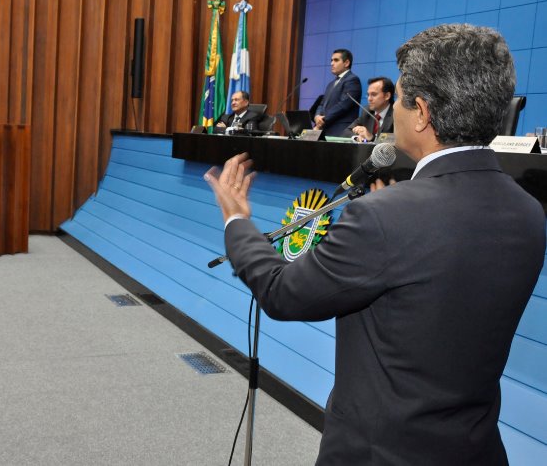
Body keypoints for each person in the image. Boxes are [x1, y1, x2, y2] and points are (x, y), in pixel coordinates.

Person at [204, 24, 545, 465]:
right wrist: (390, 222)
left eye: (401, 96)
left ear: (421, 112)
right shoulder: (528, 211)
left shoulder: (386, 218)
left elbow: (282, 292)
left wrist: (236, 220)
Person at [313, 49, 362, 136]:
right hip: (325, 128)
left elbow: (343, 105)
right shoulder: (331, 84)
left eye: (336, 60)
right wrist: (317, 116)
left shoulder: (352, 80)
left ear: (346, 63)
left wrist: (322, 120)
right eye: (331, 60)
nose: (332, 63)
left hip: (340, 130)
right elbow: (322, 104)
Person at [342, 76, 395, 141]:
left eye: (374, 94)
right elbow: (346, 132)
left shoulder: (396, 113)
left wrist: (372, 138)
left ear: (387, 96)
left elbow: (398, 139)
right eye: (368, 95)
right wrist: (357, 137)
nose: (369, 99)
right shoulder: (367, 111)